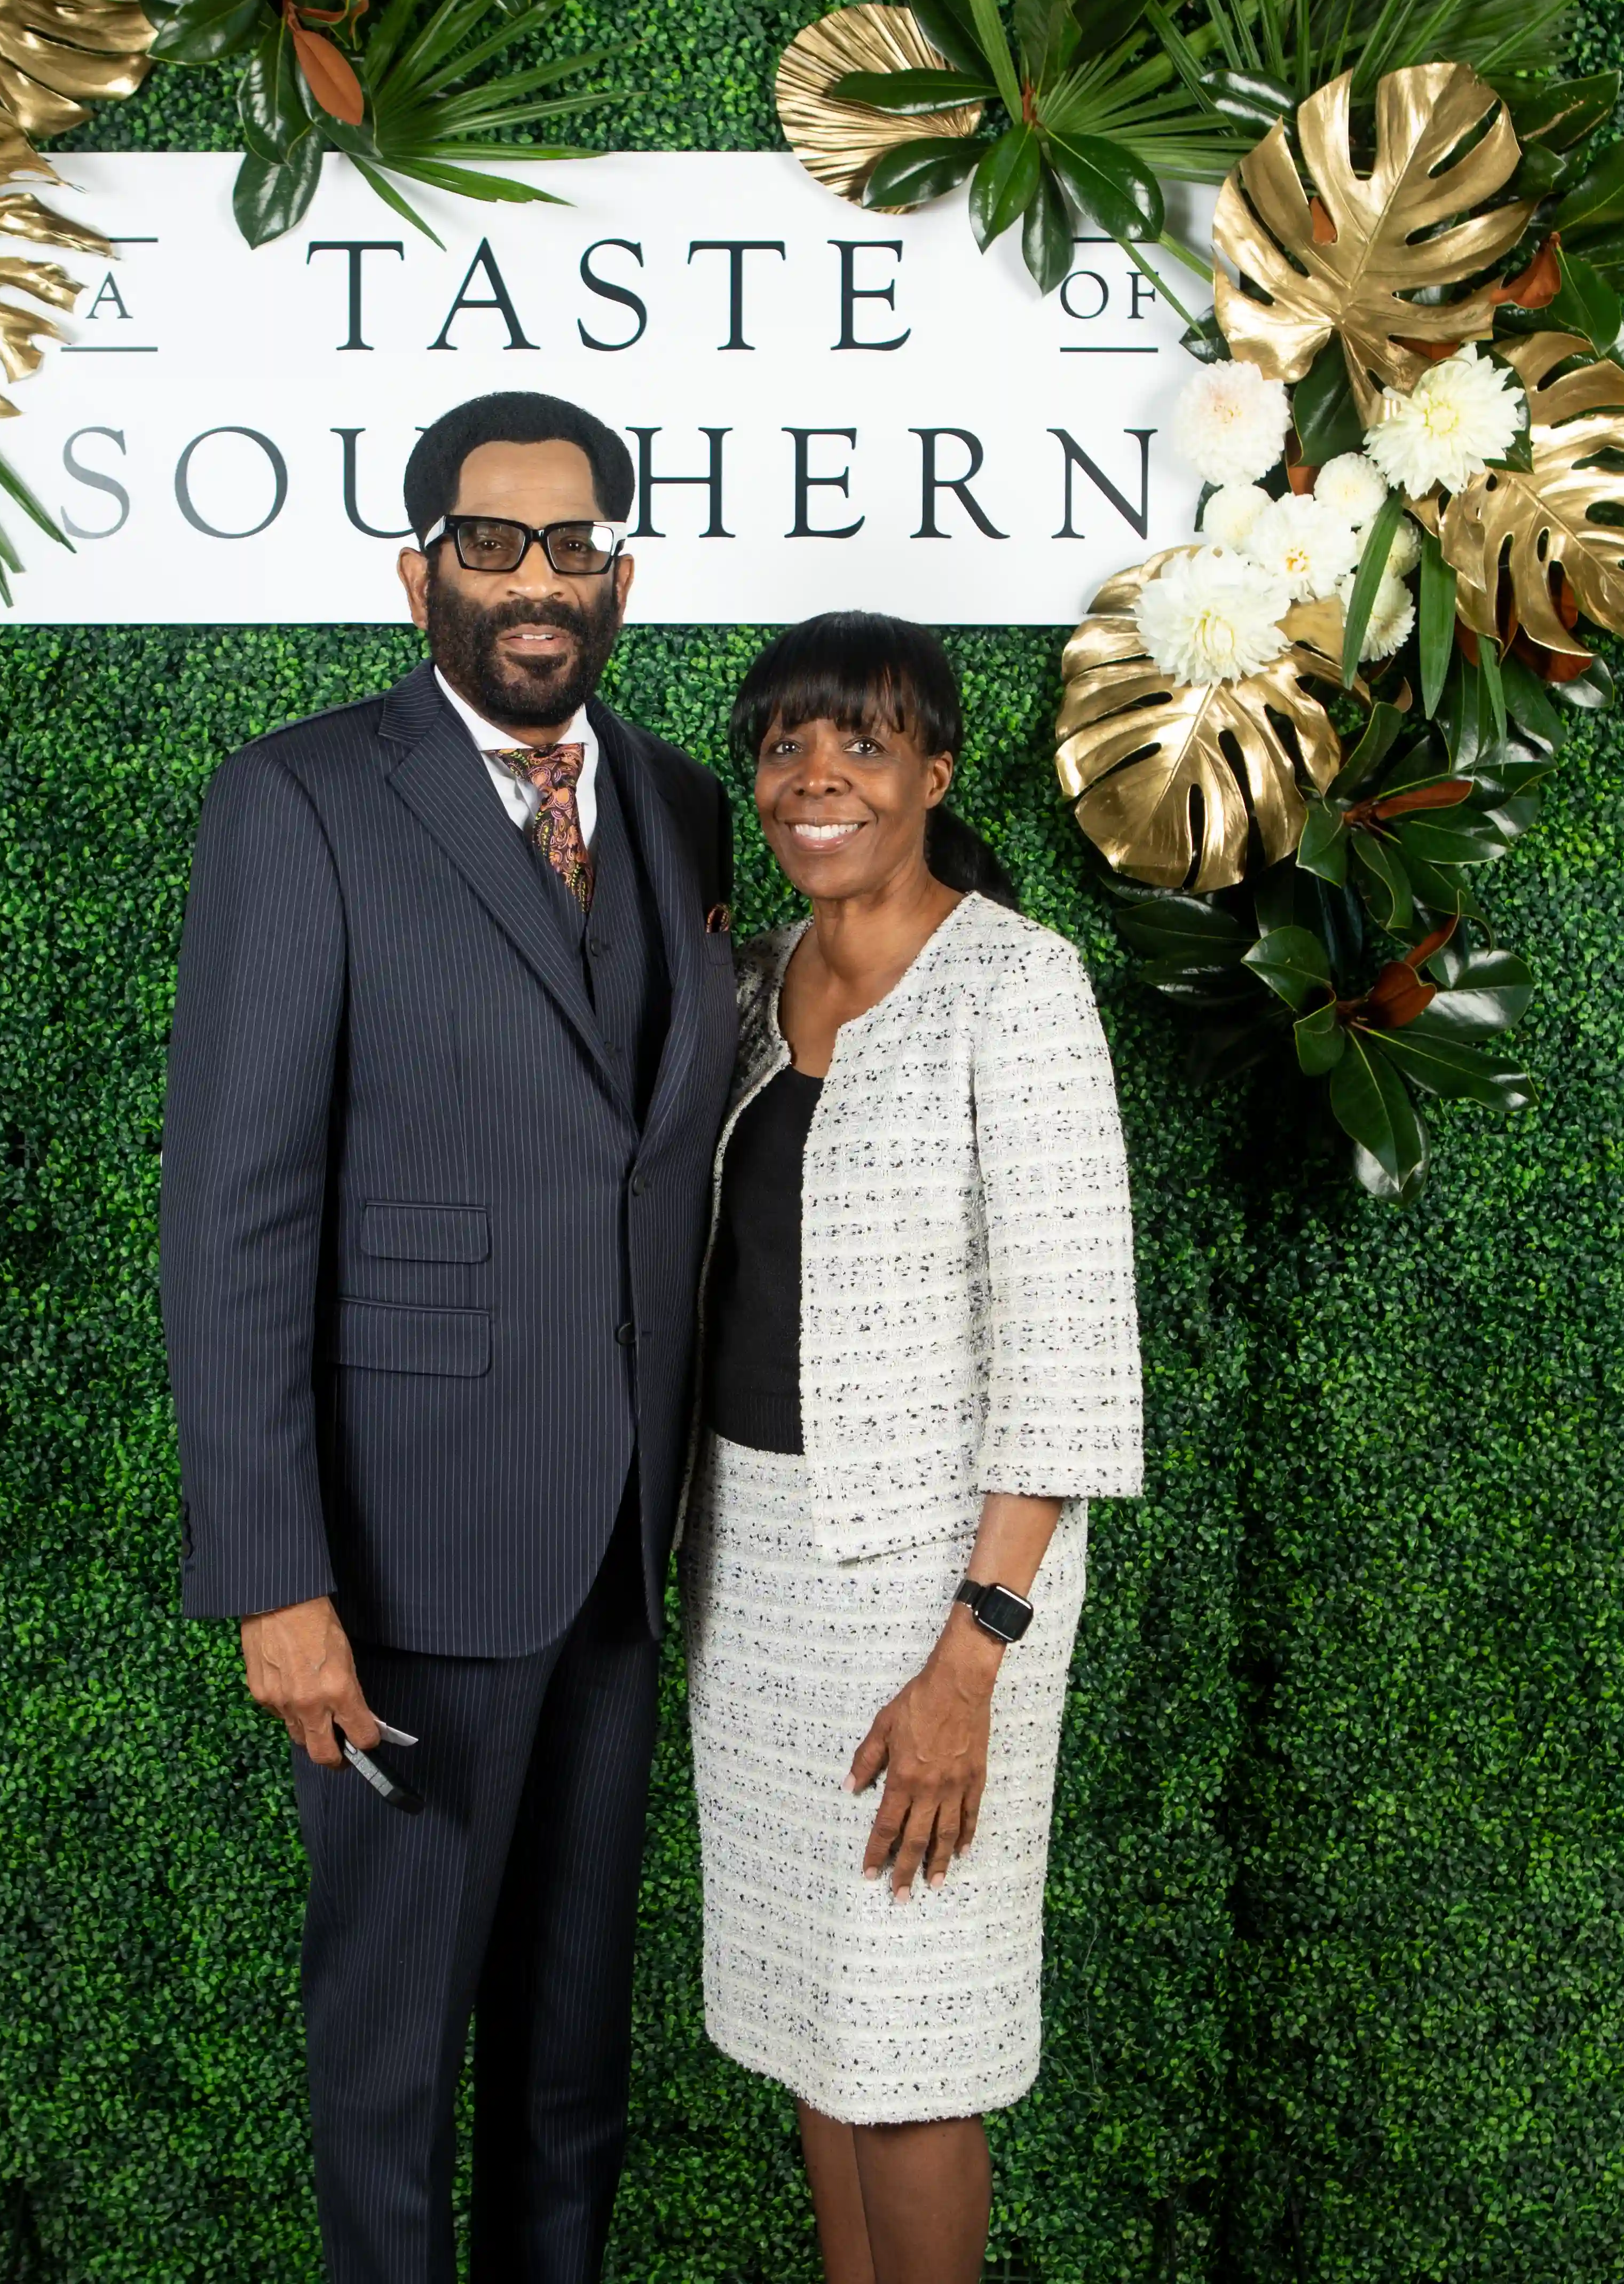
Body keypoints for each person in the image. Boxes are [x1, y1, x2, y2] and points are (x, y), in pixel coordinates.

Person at [155, 391, 741, 2284]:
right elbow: (234, 1219)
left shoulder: (672, 801)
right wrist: (275, 1579)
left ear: (622, 575)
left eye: (575, 546)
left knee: (573, 2078)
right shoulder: (301, 801)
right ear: (420, 571)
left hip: (618, 1567)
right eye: (494, 545)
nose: (538, 582)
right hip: (402, 1568)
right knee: (394, 2073)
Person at [685, 613, 1144, 2284]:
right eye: (788, 746)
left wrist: (975, 1656)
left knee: (909, 2046)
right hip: (754, 1563)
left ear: (933, 776)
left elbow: (1073, 1354)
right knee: (823, 2023)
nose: (818, 776)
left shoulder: (1015, 985)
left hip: (938, 1587)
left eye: (863, 745)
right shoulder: (748, 984)